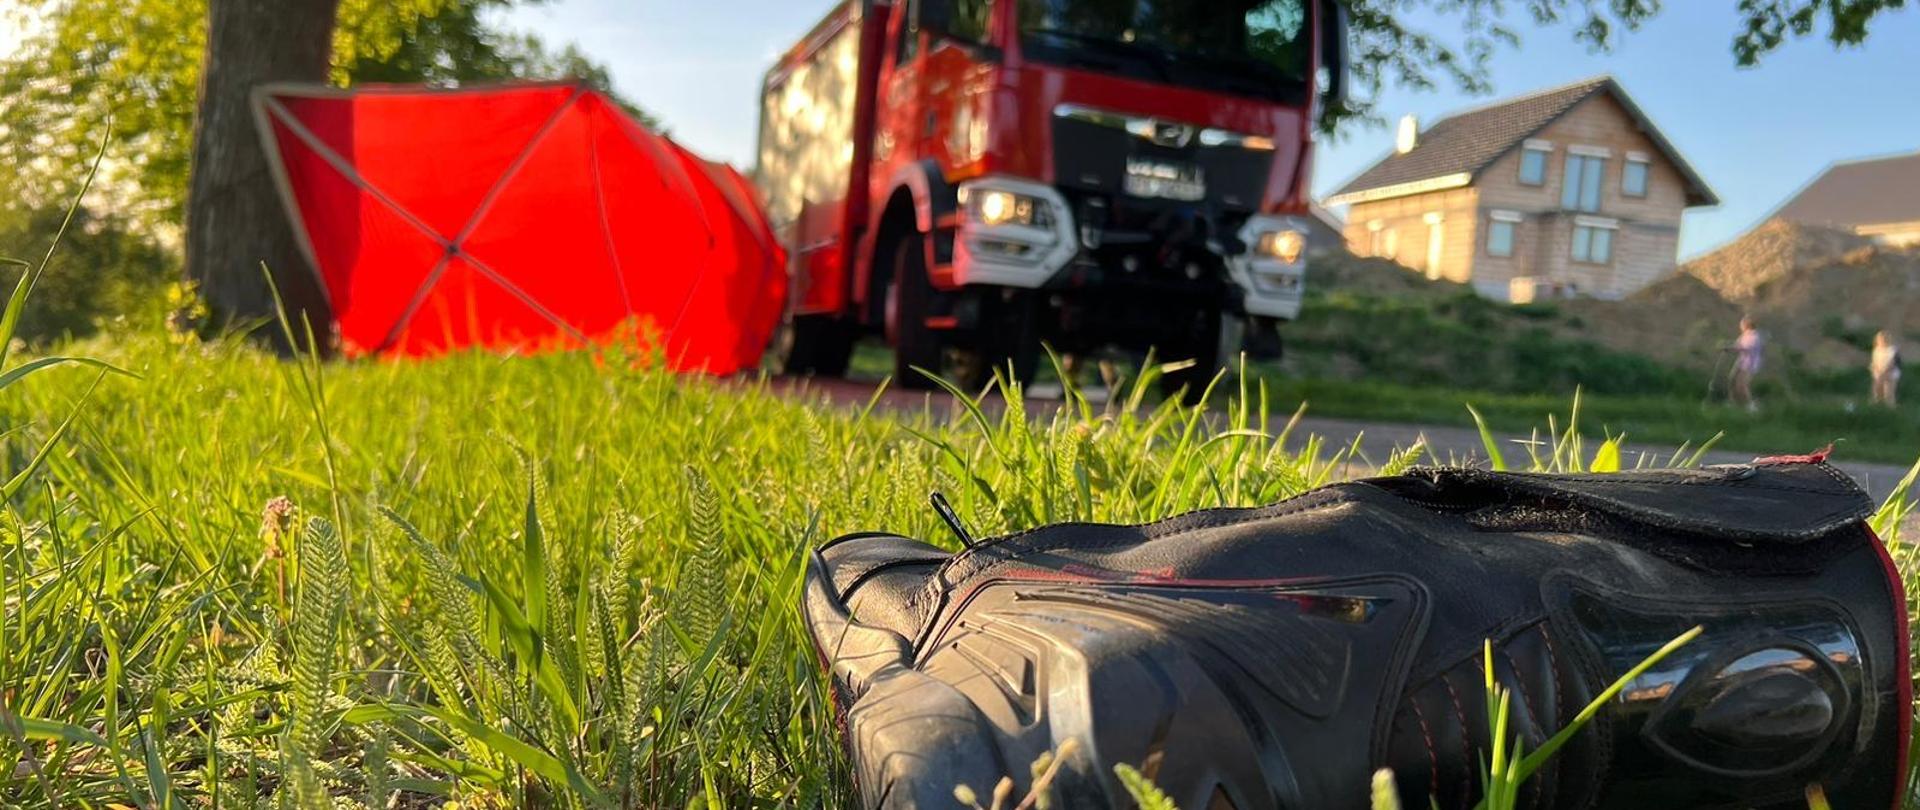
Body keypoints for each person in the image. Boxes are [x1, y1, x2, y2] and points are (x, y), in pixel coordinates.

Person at [1730, 316, 1764, 411]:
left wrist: (1732, 348)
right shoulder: (1744, 335)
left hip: (1751, 364)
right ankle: (1737, 404)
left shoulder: (1755, 336)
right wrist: (1728, 347)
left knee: (1745, 384)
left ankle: (1752, 405)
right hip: (1742, 362)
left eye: (1741, 325)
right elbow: (1737, 345)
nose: (1740, 327)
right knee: (1735, 382)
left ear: (1746, 325)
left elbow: (1746, 348)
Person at [1871, 330, 1901, 407]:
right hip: (1878, 373)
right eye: (1879, 339)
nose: (1880, 341)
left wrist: (1884, 373)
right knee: (1877, 392)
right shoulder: (1876, 350)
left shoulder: (1892, 350)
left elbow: (1892, 363)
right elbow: (1874, 361)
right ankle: (1878, 408)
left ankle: (1891, 409)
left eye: (1882, 339)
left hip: (1891, 373)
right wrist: (1876, 370)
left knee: (1889, 393)